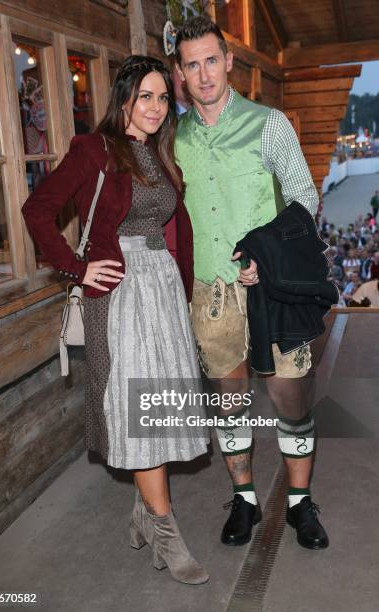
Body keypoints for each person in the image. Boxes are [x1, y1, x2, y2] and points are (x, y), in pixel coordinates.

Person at [22, 55, 209, 585]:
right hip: (122, 295)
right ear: (123, 99)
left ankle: (144, 515)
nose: (154, 107)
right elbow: (37, 211)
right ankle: (167, 531)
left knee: (160, 408)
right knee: (143, 411)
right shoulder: (94, 150)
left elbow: (172, 228)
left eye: (161, 98)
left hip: (163, 290)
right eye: (144, 96)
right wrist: (78, 268)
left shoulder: (158, 153)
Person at [174, 16, 329, 550]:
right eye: (191, 64)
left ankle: (299, 504)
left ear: (228, 61)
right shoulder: (173, 138)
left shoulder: (269, 124)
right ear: (181, 73)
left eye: (211, 60)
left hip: (273, 289)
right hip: (209, 293)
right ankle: (242, 499)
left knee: (288, 395)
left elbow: (306, 197)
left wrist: (268, 251)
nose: (203, 73)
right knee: (230, 400)